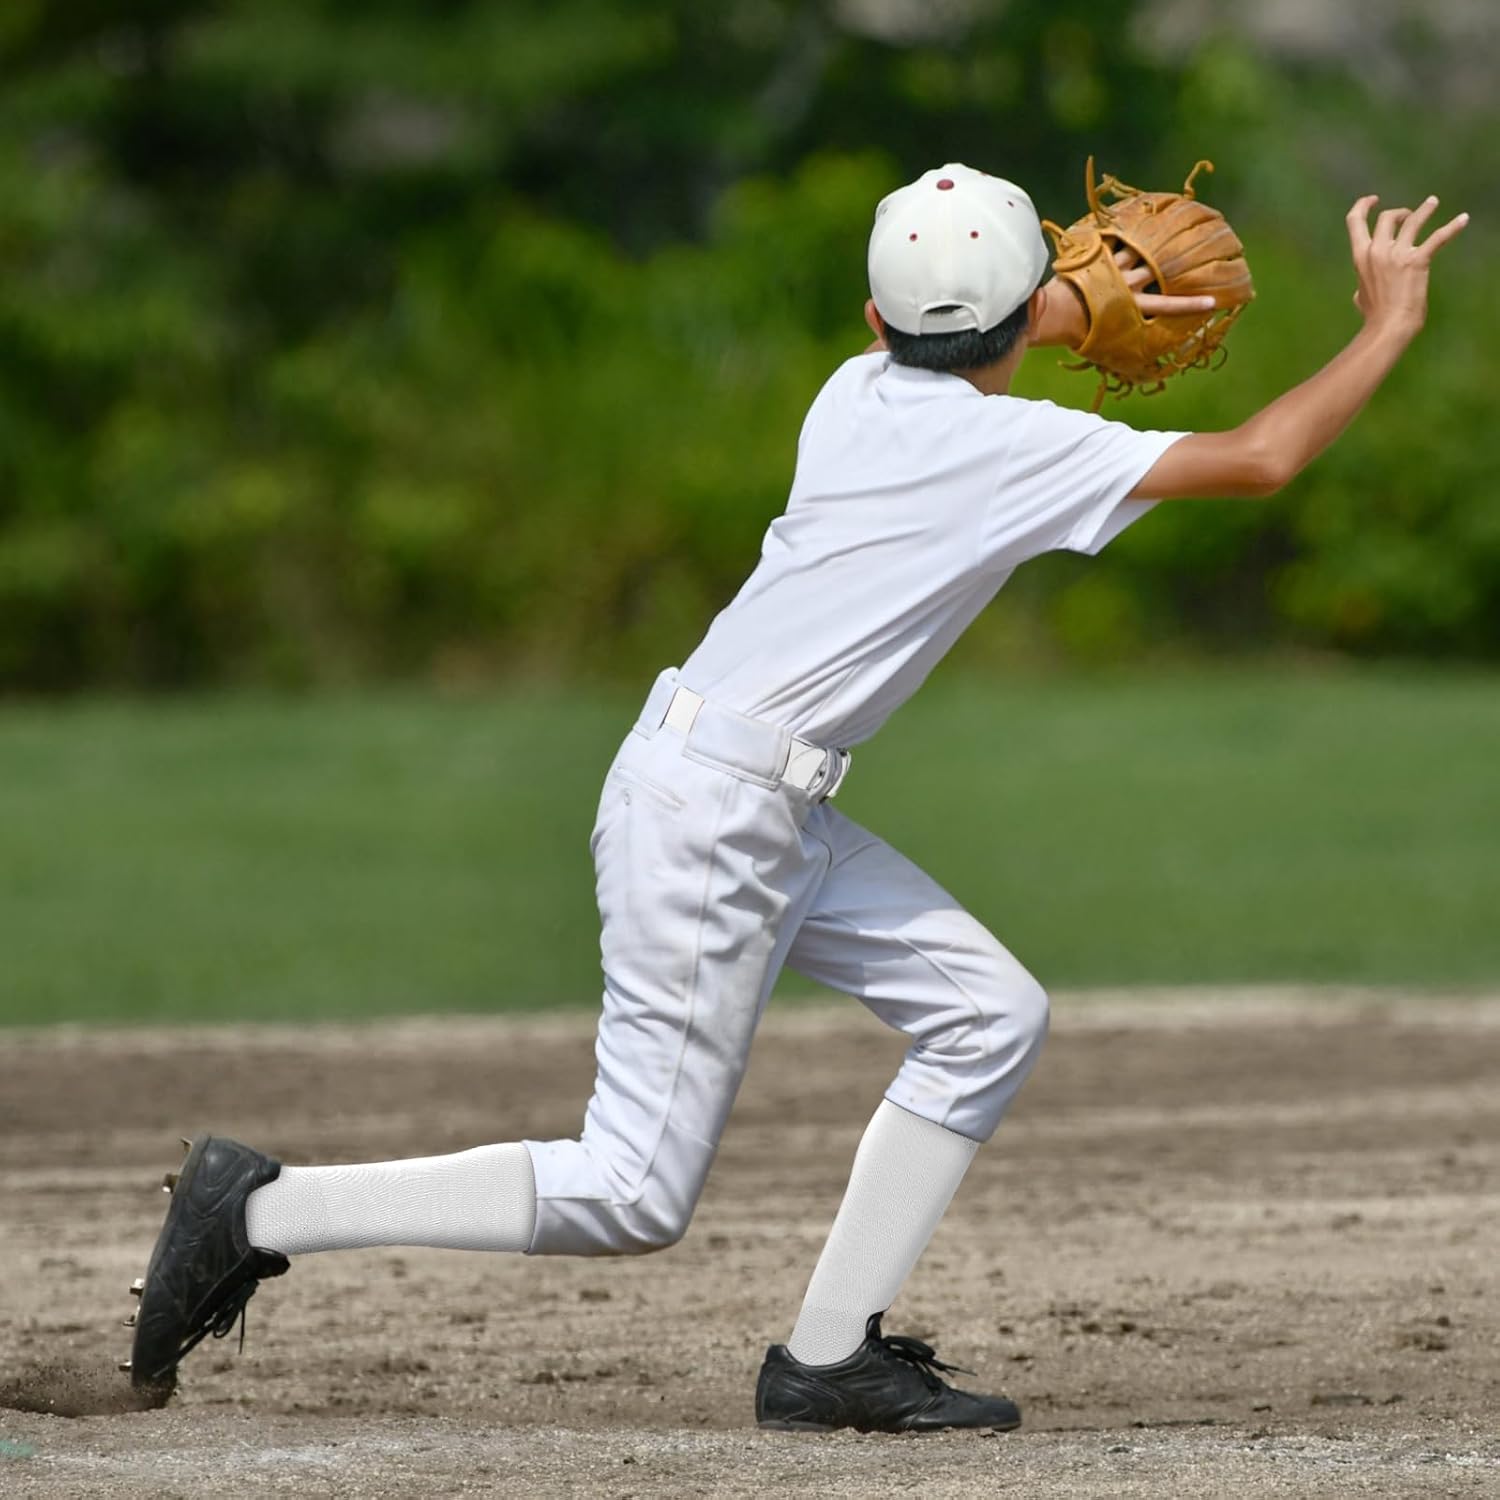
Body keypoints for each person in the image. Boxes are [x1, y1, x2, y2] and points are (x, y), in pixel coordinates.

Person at [126, 164, 1466, 1432]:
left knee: (987, 1015)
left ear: (876, 317)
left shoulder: (854, 389)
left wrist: (1053, 299)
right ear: (1016, 315)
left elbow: (971, 333)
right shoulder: (1012, 451)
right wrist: (1387, 325)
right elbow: (1262, 457)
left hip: (748, 797)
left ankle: (829, 1359)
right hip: (716, 821)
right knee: (630, 1192)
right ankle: (257, 1213)